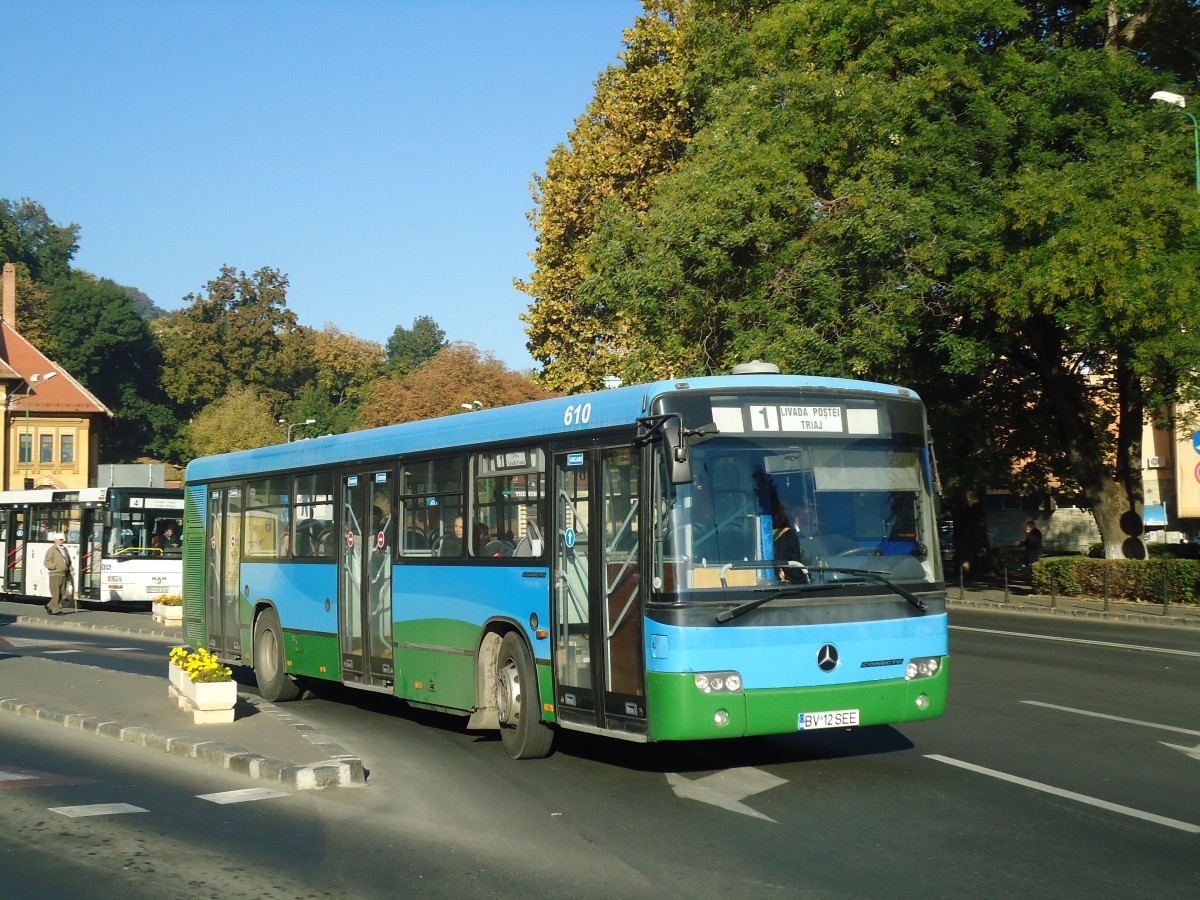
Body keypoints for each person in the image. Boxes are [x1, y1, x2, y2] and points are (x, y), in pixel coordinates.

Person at [44, 532, 74, 615]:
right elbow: (47, 562)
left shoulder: (64, 549)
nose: (61, 541)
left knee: (62, 592)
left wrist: (71, 569)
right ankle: (55, 609)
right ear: (55, 540)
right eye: (60, 540)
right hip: (55, 574)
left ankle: (50, 606)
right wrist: (55, 566)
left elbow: (68, 561)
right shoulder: (52, 550)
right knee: (55, 592)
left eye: (62, 540)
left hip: (64, 573)